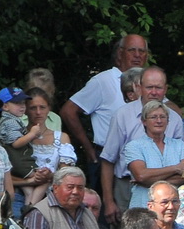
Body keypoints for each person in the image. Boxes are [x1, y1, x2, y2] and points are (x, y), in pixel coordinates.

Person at [99, 66, 184, 221]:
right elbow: (108, 160)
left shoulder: (175, 119)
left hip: (169, 191)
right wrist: (109, 201)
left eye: (158, 87)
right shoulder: (122, 115)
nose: (154, 92)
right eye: (149, 87)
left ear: (165, 89)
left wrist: (151, 181)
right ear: (139, 88)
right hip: (126, 186)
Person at [61, 34, 150, 166]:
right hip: (109, 158)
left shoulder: (151, 82)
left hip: (144, 157)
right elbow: (68, 111)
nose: (137, 55)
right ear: (120, 53)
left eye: (141, 51)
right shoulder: (103, 81)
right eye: (132, 50)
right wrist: (88, 148)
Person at [121, 99, 184, 214]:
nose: (159, 121)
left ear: (168, 121)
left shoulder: (179, 145)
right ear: (144, 121)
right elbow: (141, 175)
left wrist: (148, 181)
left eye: (162, 117)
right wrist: (175, 168)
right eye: (153, 117)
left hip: (173, 210)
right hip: (143, 208)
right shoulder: (134, 146)